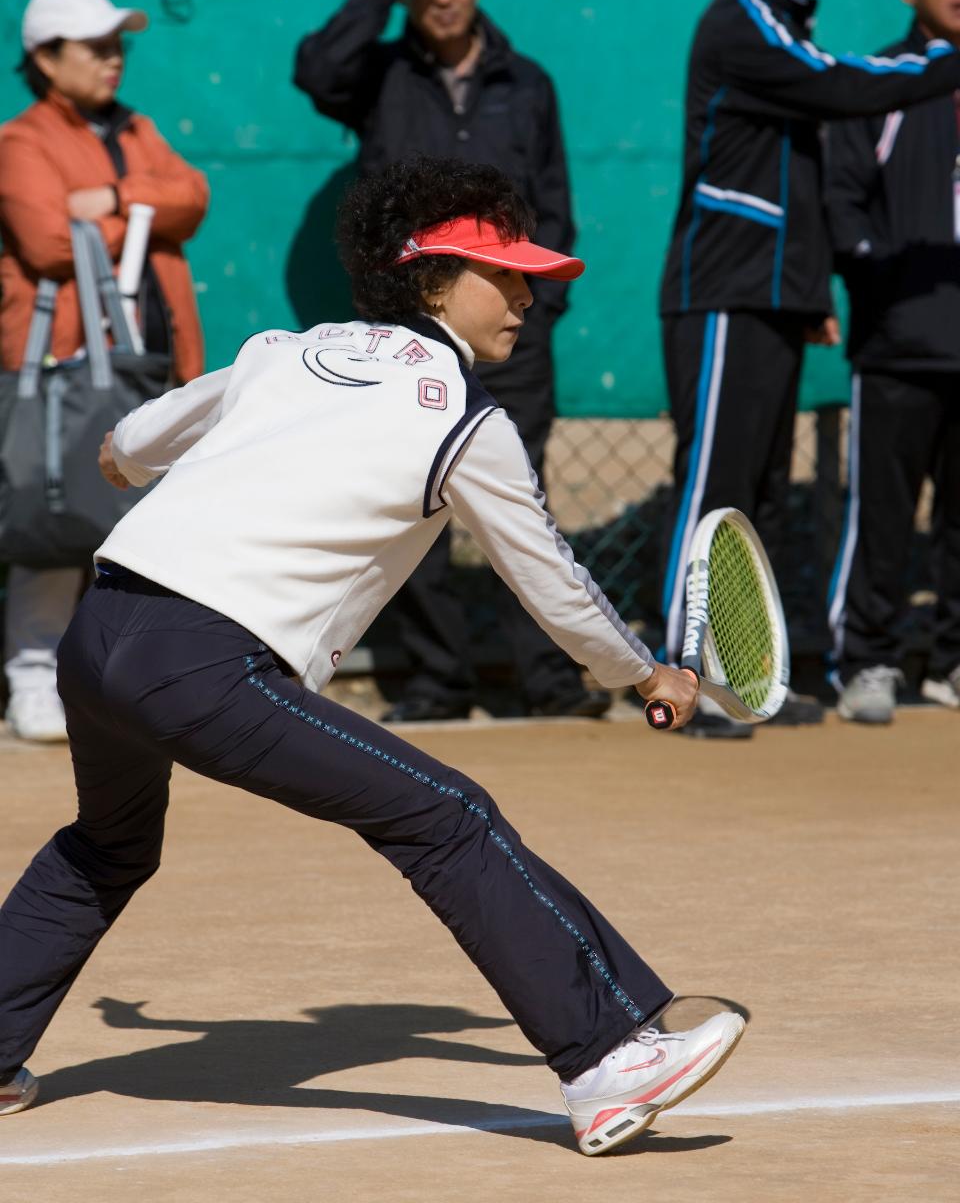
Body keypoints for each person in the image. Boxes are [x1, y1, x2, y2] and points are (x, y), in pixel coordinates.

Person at [0, 156, 744, 1155]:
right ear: (433, 278)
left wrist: (131, 461)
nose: (529, 296)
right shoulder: (464, 418)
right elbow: (552, 581)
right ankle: (609, 1055)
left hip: (100, 635)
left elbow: (132, 437)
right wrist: (646, 673)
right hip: (204, 664)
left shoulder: (288, 350)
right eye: (506, 274)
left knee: (109, 841)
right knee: (448, 814)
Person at [293, 0, 608, 723]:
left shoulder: (526, 84)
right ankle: (435, 680)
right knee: (410, 506)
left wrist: (535, 314)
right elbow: (316, 69)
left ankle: (548, 682)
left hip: (511, 340)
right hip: (407, 349)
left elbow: (556, 207)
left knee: (521, 506)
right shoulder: (378, 76)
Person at [658, 0, 960, 737]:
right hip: (721, 290)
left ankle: (747, 682)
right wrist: (948, 57)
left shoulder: (785, 21)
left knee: (757, 499)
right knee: (713, 487)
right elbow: (838, 84)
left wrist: (808, 283)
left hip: (775, 295)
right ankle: (681, 682)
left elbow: (796, 170)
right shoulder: (744, 20)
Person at [0, 0, 208, 743]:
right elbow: (50, 244)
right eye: (95, 46)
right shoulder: (20, 140)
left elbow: (195, 194)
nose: (113, 59)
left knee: (144, 525)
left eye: (117, 44)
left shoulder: (136, 128)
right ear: (46, 59)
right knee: (55, 519)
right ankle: (31, 676)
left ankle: (122, 680)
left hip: (151, 364)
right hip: (59, 372)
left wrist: (117, 196)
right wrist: (147, 215)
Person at [825, 0, 960, 723]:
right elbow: (843, 200)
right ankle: (866, 662)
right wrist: (880, 276)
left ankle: (951, 661)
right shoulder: (877, 81)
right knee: (881, 515)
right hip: (898, 345)